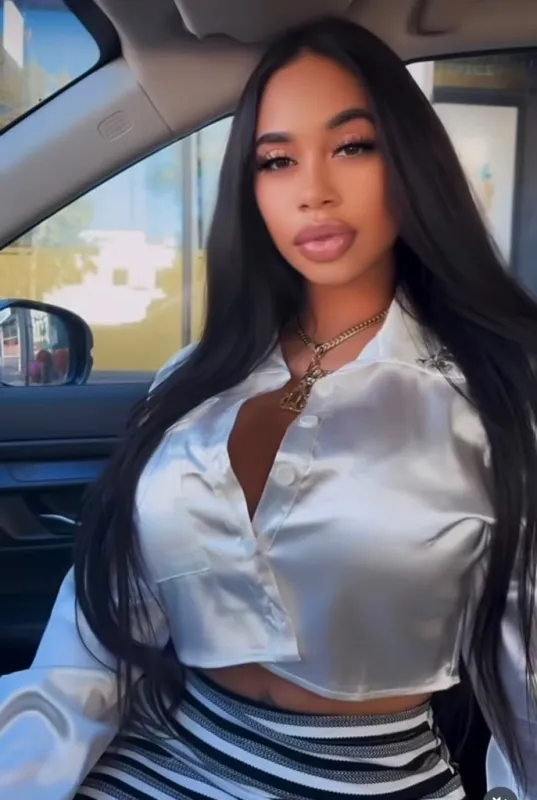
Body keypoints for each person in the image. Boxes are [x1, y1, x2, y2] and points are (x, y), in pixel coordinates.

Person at [0, 16, 536, 800]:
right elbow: (91, 641)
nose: (313, 190)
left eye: (351, 146)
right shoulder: (191, 379)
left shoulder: (494, 393)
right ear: (250, 189)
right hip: (153, 757)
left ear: (409, 161)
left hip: (362, 779)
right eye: (277, 159)